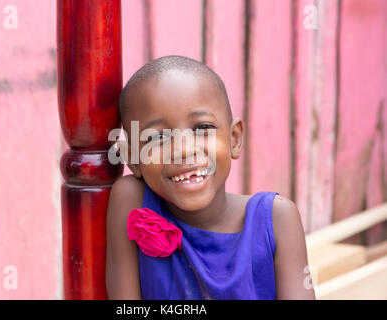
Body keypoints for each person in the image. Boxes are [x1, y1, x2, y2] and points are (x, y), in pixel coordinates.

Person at [106, 55, 315, 300]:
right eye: (156, 138)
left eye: (202, 128)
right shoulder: (131, 200)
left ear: (234, 138)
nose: (184, 150)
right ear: (134, 160)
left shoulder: (277, 219)